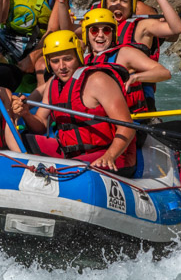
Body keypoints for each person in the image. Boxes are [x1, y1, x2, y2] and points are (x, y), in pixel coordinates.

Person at [10, 30, 137, 177]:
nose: (61, 66)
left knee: (65, 171)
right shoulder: (52, 84)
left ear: (77, 56)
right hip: (70, 154)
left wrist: (110, 156)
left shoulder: (98, 80)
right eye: (55, 61)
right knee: (23, 139)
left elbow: (127, 127)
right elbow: (40, 126)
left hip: (109, 155)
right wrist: (25, 113)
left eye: (67, 59)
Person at [81, 8, 170, 114]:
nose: (100, 35)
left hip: (132, 121)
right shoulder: (84, 60)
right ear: (86, 34)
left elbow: (164, 73)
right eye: (94, 30)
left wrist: (135, 77)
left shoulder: (125, 53)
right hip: (103, 122)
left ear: (113, 34)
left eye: (106, 30)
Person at [100, 0, 181, 61]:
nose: (118, 5)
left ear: (131, 5)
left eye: (124, 1)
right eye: (113, 0)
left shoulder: (143, 26)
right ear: (105, 4)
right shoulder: (97, 29)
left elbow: (176, 29)